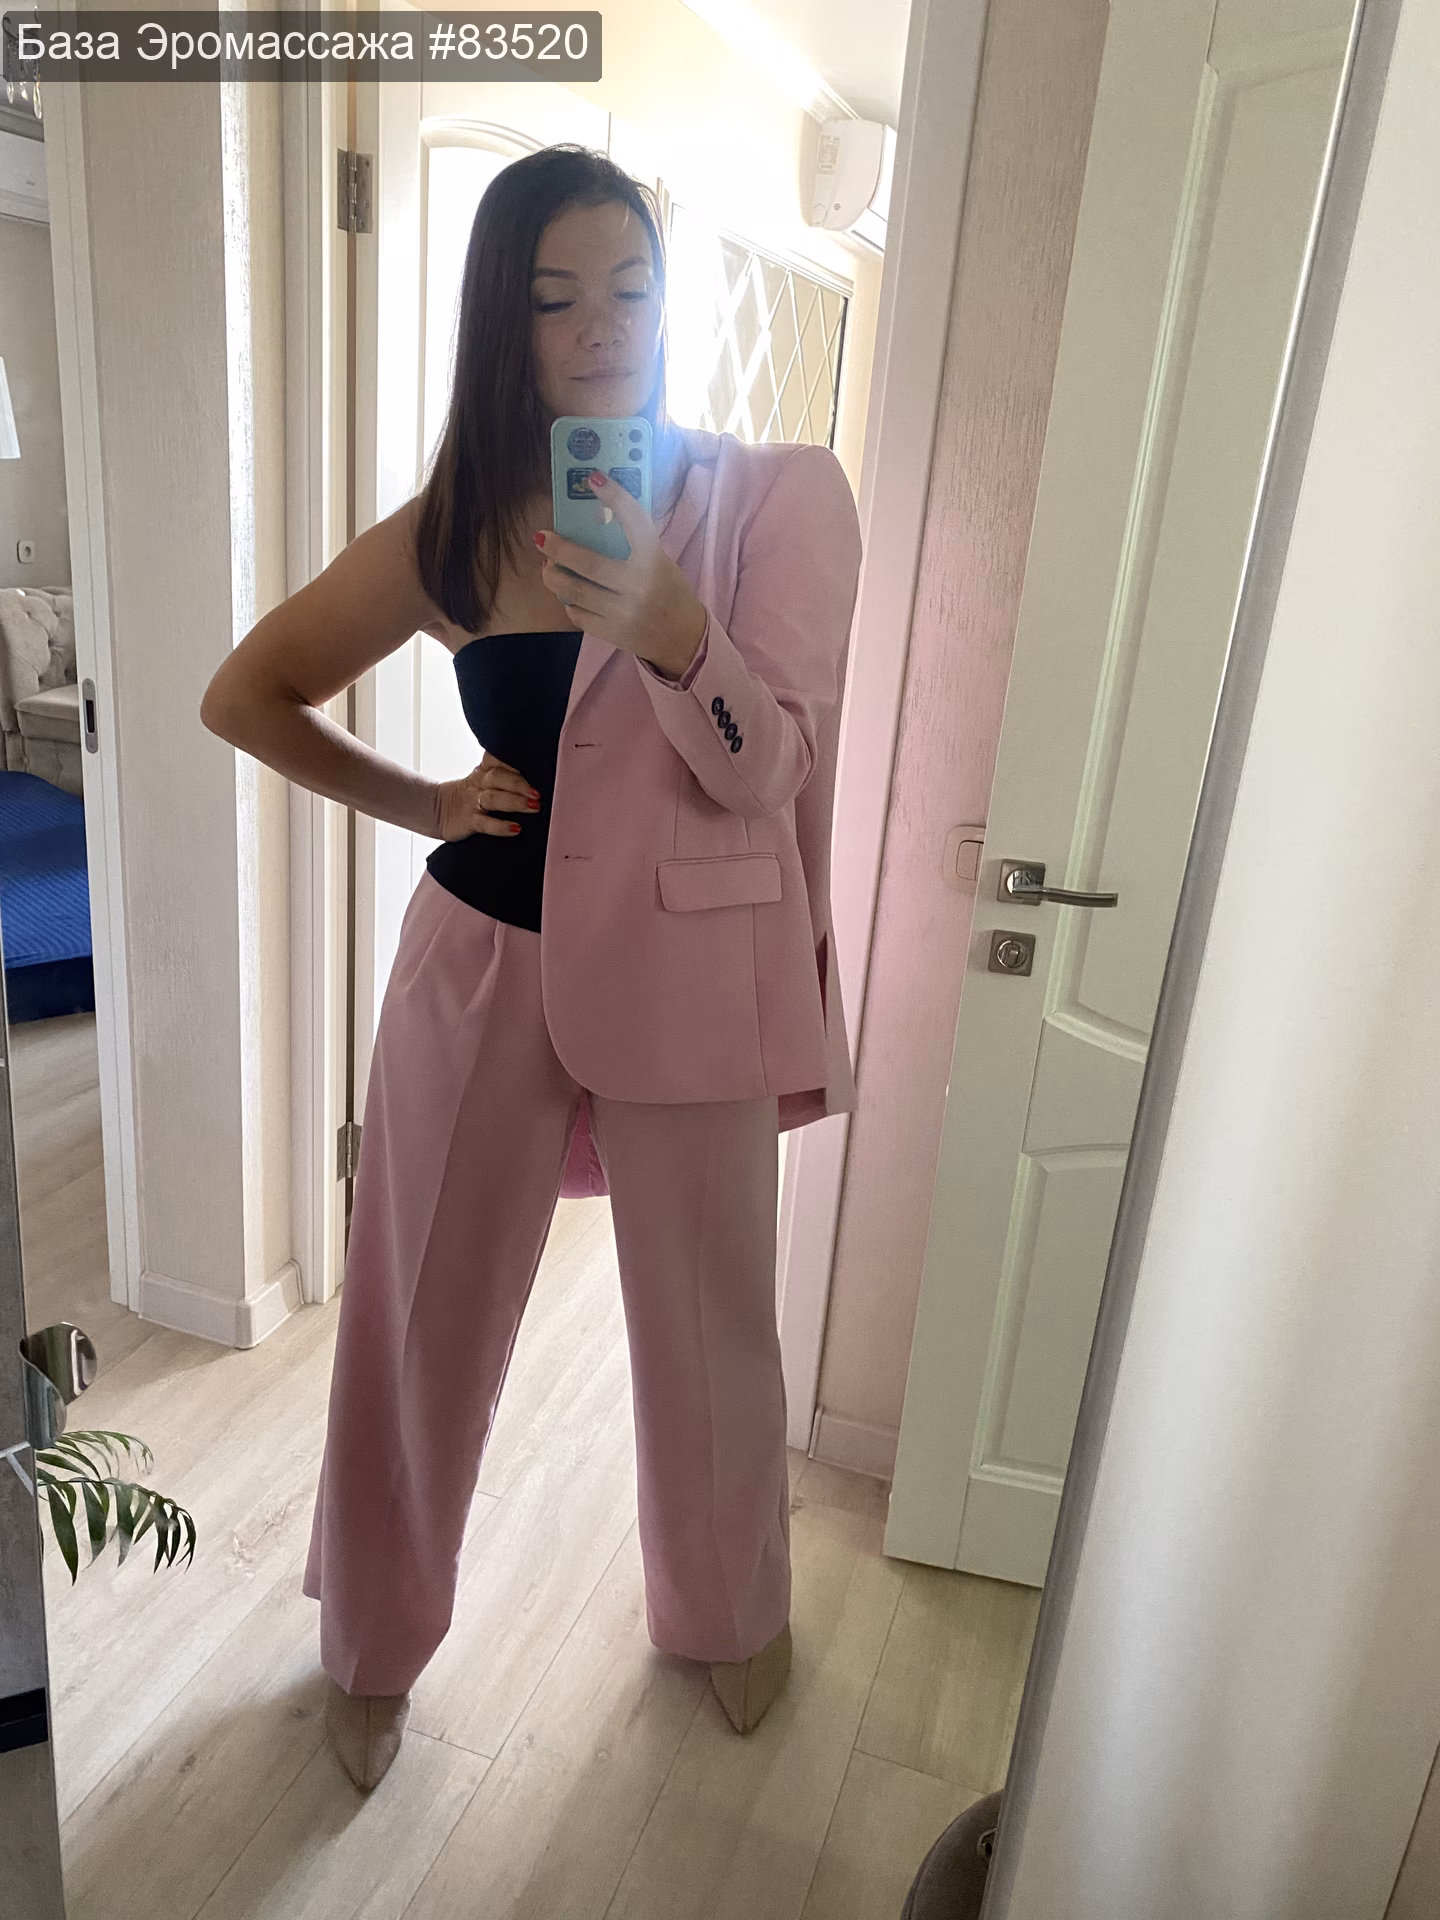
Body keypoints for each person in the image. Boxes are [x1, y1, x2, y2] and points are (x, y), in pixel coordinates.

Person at [201, 145, 862, 1792]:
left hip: (695, 973)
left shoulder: (779, 499)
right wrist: (426, 800)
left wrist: (674, 629)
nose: (601, 328)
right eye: (556, 300)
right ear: (508, 326)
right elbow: (247, 692)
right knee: (415, 1318)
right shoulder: (457, 523)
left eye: (630, 287)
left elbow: (773, 773)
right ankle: (370, 1642)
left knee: (708, 1331)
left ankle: (726, 1613)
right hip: (478, 964)